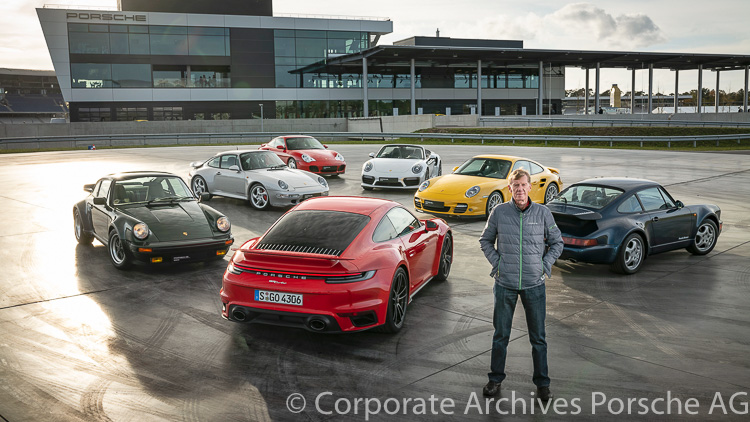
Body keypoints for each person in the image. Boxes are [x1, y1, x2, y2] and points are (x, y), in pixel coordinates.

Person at [478, 168, 563, 402]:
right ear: (510, 188)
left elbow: (557, 243)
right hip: (504, 283)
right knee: (500, 335)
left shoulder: (543, 213)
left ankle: (542, 384)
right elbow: (485, 240)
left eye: (524, 185)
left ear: (530, 187)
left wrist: (544, 266)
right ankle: (495, 379)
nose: (520, 189)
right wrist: (499, 264)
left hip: (534, 285)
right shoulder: (499, 212)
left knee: (538, 338)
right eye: (515, 186)